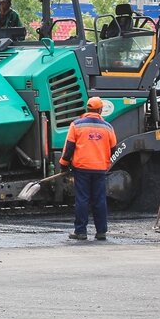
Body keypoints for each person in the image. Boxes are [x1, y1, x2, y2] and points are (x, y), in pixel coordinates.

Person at [59, 97, 117, 241]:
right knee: (99, 199)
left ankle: (80, 232)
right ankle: (101, 232)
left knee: (82, 199)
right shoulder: (108, 127)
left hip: (82, 168)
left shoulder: (76, 125)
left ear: (87, 108)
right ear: (100, 110)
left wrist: (63, 165)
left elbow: (69, 148)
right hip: (100, 168)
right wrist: (104, 159)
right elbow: (113, 148)